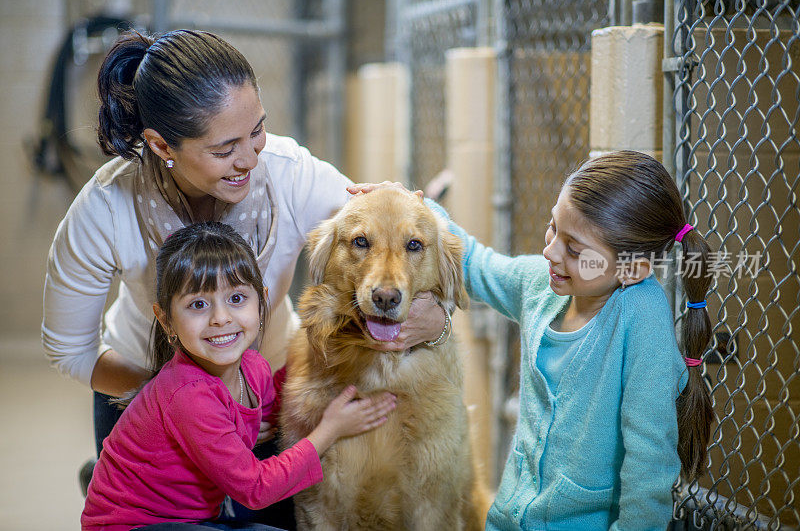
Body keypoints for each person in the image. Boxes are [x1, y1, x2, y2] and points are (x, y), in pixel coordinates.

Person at [40, 28, 447, 511]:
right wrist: (173, 401)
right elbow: (69, 349)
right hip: (143, 389)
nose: (251, 158)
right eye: (224, 148)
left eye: (257, 130)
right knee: (155, 507)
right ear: (161, 144)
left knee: (269, 509)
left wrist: (436, 315)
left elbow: (393, 236)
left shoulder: (289, 173)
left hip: (266, 389)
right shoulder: (106, 209)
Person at [387, 150, 713, 530]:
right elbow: (478, 265)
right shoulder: (542, 285)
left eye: (575, 250)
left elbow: (649, 472)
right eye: (553, 226)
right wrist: (417, 211)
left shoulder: (640, 318)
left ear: (632, 268)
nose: (551, 251)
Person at [81, 221, 397, 531]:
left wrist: (322, 350)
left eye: (236, 298)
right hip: (132, 524)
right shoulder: (188, 394)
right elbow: (255, 489)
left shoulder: (253, 366)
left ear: (262, 301)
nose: (221, 318)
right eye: (198, 304)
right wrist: (331, 428)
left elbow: (276, 408)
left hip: (194, 519)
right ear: (166, 321)